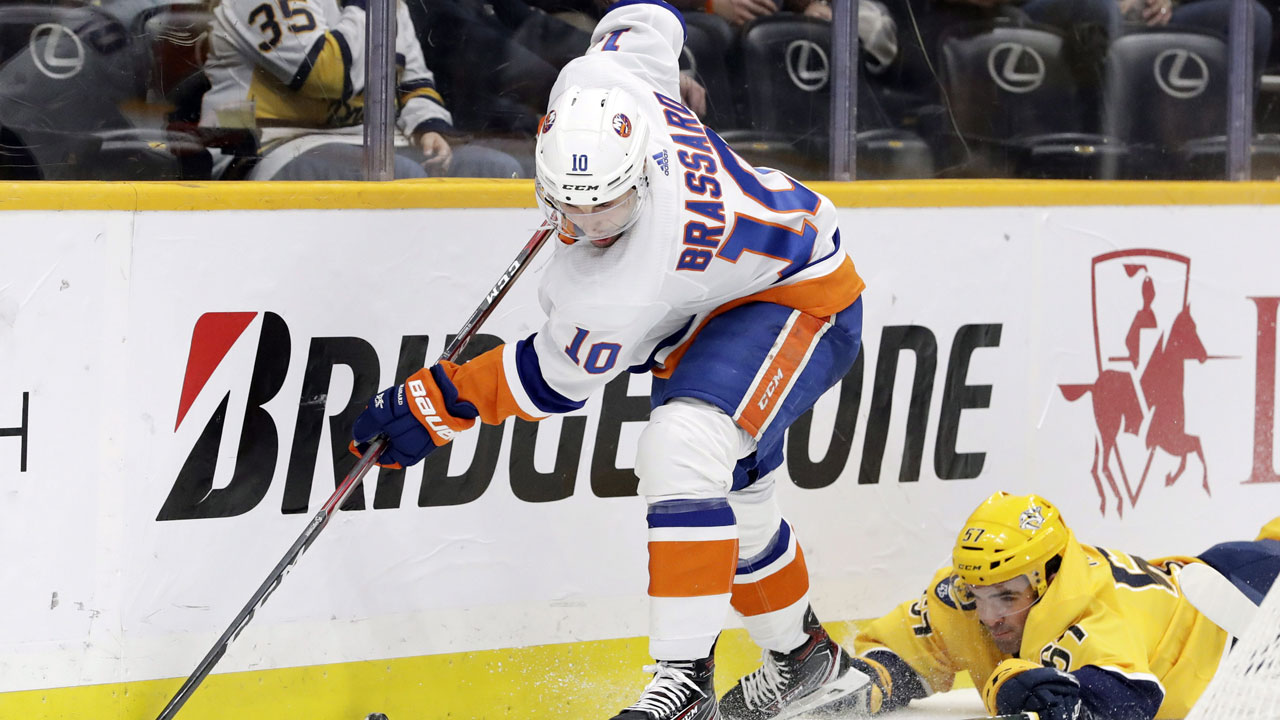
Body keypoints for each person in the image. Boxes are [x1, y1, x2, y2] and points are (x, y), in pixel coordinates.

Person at [349, 1, 869, 718]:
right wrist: (675, 83)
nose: (591, 228)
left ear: (643, 178)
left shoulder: (629, 284)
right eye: (572, 208)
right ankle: (810, 664)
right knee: (736, 493)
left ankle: (683, 683)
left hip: (798, 292)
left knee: (682, 448)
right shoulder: (603, 80)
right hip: (719, 298)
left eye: (611, 208)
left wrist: (435, 404)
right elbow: (648, 20)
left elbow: (551, 381)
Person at [846, 492, 1280, 720]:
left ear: (1048, 578)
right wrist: (866, 682)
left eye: (1006, 596)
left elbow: (1128, 705)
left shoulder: (1094, 614)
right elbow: (904, 652)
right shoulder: (972, 591)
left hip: (1240, 621)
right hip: (1208, 575)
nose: (988, 616)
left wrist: (1026, 689)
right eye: (978, 594)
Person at [199, 0, 524, 179]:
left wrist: (427, 127)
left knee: (491, 168)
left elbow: (413, 80)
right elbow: (325, 77)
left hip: (371, 142)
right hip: (269, 148)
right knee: (395, 176)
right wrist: (365, 6)